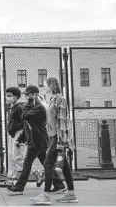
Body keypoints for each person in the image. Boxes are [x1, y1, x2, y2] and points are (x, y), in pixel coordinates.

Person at [7, 85, 64, 195]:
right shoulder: (34, 107)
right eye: (26, 95)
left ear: (33, 94)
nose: (27, 96)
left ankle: (19, 186)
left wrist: (29, 103)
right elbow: (28, 126)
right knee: (45, 163)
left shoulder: (38, 108)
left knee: (27, 164)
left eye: (28, 94)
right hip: (36, 140)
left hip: (37, 141)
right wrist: (20, 139)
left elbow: (24, 117)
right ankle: (59, 184)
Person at [30, 77, 78, 205]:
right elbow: (51, 115)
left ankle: (45, 196)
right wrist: (44, 103)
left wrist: (61, 142)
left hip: (57, 137)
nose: (43, 86)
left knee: (48, 164)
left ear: (51, 85)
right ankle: (71, 194)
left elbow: (63, 122)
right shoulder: (53, 100)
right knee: (65, 167)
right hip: (53, 136)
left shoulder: (60, 100)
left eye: (45, 85)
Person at [0, 87, 44, 188]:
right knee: (11, 157)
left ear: (15, 97)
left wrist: (20, 133)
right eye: (6, 95)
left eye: (9, 96)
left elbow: (26, 121)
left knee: (17, 158)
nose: (6, 97)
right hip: (14, 134)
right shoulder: (15, 106)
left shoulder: (20, 107)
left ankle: (37, 172)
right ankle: (10, 179)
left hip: (19, 134)